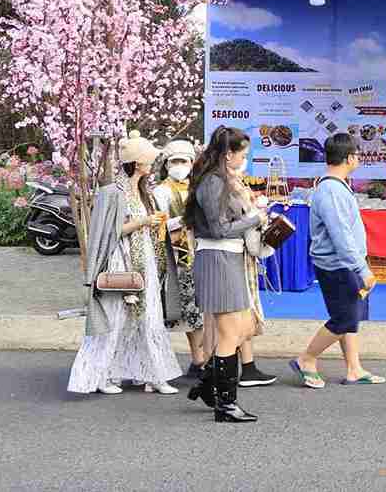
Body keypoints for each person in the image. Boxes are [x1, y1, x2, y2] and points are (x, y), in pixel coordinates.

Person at [68, 131, 182, 396]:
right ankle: (101, 375)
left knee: (151, 318)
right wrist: (143, 222)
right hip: (121, 263)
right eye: (148, 160)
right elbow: (108, 231)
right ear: (136, 162)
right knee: (115, 320)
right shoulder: (112, 193)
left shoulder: (146, 192)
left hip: (147, 262)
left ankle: (154, 375)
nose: (152, 165)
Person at [182, 127, 269, 423]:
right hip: (217, 257)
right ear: (228, 154)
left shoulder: (222, 180)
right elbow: (219, 228)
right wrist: (253, 219)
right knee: (232, 332)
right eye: (242, 153)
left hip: (228, 258)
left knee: (244, 326)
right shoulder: (213, 182)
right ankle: (226, 403)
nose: (245, 158)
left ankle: (209, 382)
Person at [291, 133, 385, 388]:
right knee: (343, 318)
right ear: (350, 157)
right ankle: (306, 359)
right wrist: (361, 268)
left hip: (343, 262)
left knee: (350, 317)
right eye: (357, 154)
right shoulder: (331, 189)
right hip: (338, 265)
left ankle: (354, 368)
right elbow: (340, 234)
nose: (359, 159)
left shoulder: (335, 185)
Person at [152, 138, 206, 382]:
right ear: (166, 164)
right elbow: (156, 226)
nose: (179, 165)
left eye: (184, 161)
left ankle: (203, 358)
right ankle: (197, 359)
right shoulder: (160, 191)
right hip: (176, 258)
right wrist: (182, 221)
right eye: (174, 161)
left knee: (203, 310)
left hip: (203, 252)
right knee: (186, 310)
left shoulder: (200, 187)